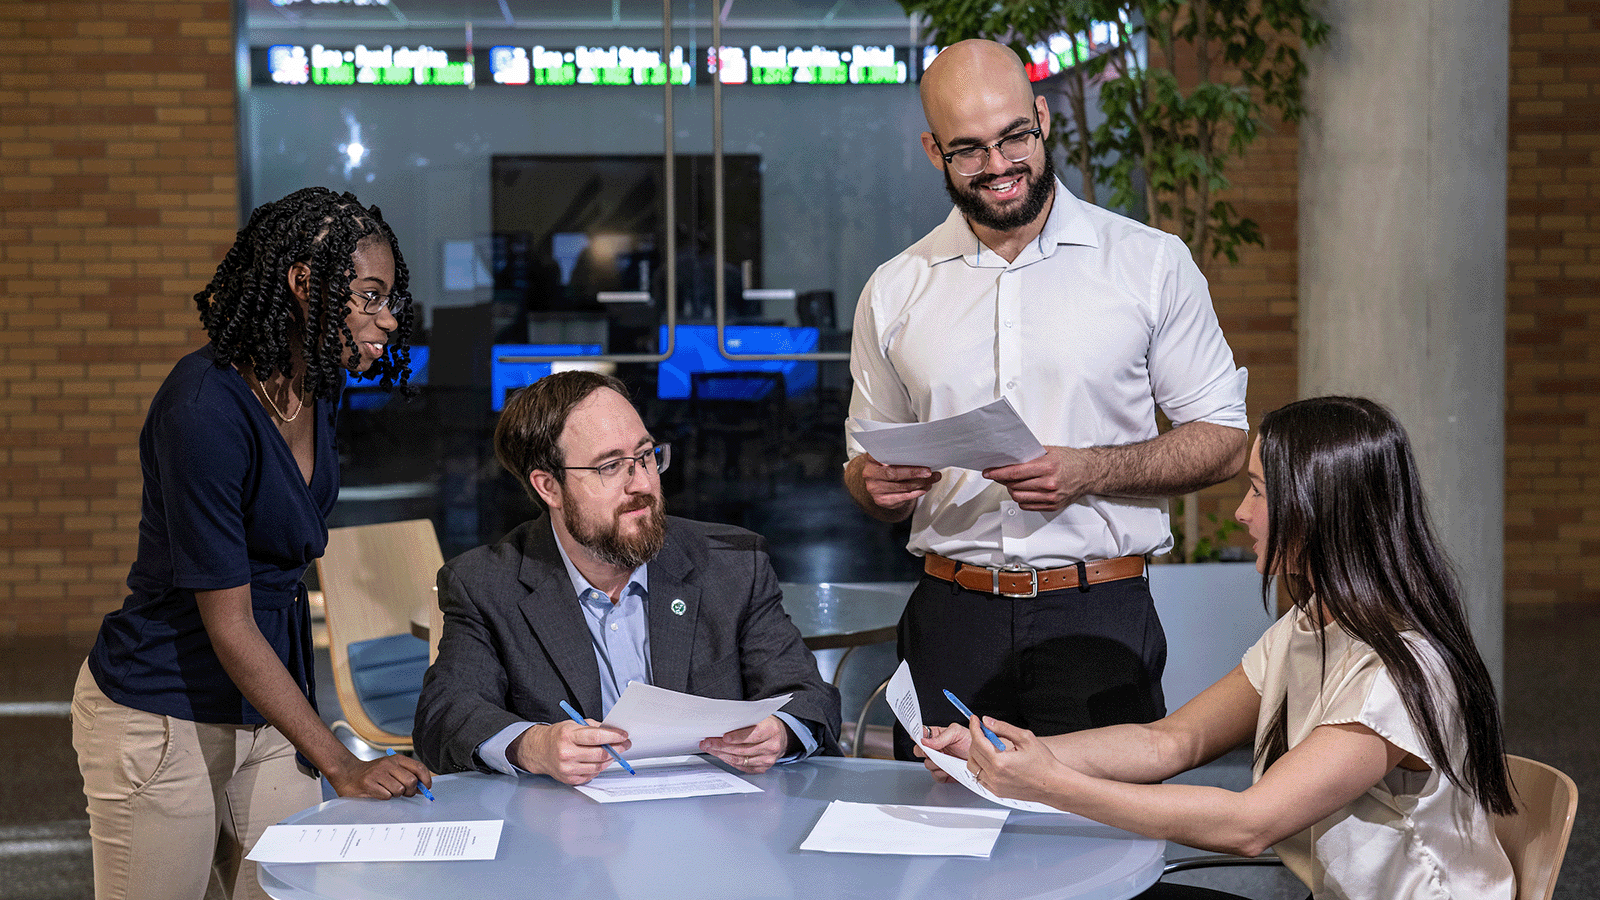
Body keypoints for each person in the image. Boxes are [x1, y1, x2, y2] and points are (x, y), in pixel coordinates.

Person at [924, 396, 1517, 899]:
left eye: (1258, 492)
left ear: (1322, 509)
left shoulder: (1397, 670)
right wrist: (1005, 751)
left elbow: (1249, 825)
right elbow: (1170, 741)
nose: (1240, 513)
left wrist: (1048, 785)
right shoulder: (1314, 622)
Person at [845, 38, 1250, 760]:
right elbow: (862, 461)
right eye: (969, 149)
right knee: (937, 858)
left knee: (1102, 853)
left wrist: (1089, 471)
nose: (998, 166)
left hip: (1097, 616)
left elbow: (1223, 436)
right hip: (949, 620)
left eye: (1014, 137)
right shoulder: (894, 288)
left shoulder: (1149, 264)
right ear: (934, 152)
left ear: (1043, 118)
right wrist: (872, 484)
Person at [70, 186, 434, 900]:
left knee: (290, 891)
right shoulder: (201, 409)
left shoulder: (315, 388)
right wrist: (340, 761)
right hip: (160, 711)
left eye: (388, 298)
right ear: (303, 284)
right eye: (368, 295)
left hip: (267, 706)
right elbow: (228, 621)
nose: (387, 319)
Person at [413, 370, 842, 782]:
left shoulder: (730, 565)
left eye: (645, 456)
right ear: (549, 488)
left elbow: (808, 696)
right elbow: (446, 716)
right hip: (568, 837)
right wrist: (533, 745)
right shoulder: (486, 584)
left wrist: (780, 733)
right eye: (610, 466)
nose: (641, 484)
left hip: (717, 826)